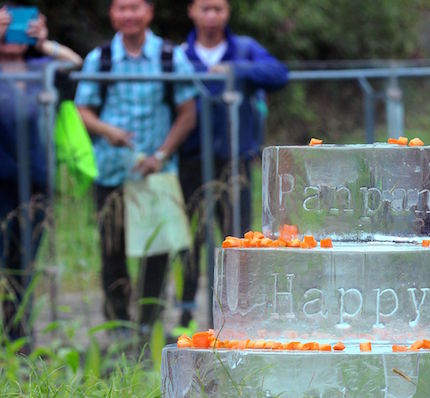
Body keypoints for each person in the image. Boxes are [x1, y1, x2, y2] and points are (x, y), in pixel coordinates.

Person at [74, 0, 197, 337]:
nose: (129, 15)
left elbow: (188, 113)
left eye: (135, 7)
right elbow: (81, 109)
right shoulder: (100, 58)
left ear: (149, 12)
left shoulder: (171, 57)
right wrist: (107, 131)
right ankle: (117, 324)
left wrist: (161, 152)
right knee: (112, 249)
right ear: (112, 13)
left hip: (154, 171)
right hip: (111, 170)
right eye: (121, 8)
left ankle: (148, 325)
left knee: (155, 250)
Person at [177, 0, 288, 327]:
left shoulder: (244, 48)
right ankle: (185, 307)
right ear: (192, 11)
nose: (211, 15)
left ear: (226, 13)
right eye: (205, 8)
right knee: (189, 235)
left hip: (235, 158)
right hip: (190, 157)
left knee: (234, 235)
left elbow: (279, 74)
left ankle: (232, 312)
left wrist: (236, 71)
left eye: (218, 9)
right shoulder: (181, 53)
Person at [0, 5, 82, 352]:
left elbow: (77, 63)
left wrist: (45, 42)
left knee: (24, 262)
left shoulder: (41, 67)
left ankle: (18, 337)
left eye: (17, 26)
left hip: (34, 183)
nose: (12, 33)